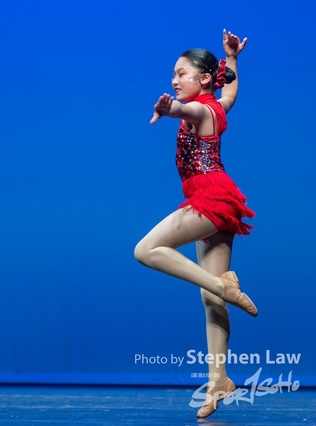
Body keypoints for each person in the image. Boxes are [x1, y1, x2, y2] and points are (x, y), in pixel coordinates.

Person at [133, 30, 255, 418]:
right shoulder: (218, 104)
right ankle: (219, 380)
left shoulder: (201, 110)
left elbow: (187, 112)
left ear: (203, 79)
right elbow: (230, 93)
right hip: (223, 197)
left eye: (181, 73)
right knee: (210, 300)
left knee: (146, 250)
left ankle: (223, 284)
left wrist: (170, 109)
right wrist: (232, 58)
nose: (174, 79)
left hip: (209, 198)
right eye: (173, 74)